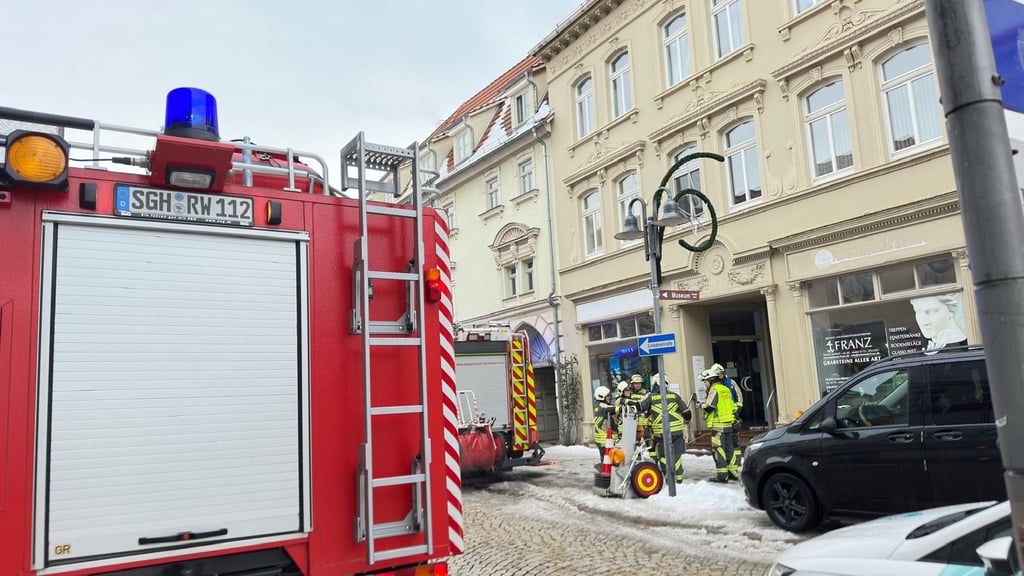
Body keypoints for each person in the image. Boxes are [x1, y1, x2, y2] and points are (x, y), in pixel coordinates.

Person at [644, 373, 691, 484]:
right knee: (677, 455)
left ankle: (669, 479)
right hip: (677, 432)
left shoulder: (651, 397)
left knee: (663, 456)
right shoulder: (675, 396)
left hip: (662, 433)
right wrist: (687, 421)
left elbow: (641, 408)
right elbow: (687, 413)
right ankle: (679, 479)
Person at [701, 368, 737, 483]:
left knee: (719, 449)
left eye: (705, 381)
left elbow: (710, 407)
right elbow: (733, 406)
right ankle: (733, 472)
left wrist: (701, 405)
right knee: (729, 448)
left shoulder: (714, 389)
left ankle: (722, 475)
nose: (705, 384)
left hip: (718, 425)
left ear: (711, 380)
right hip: (728, 423)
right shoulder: (725, 389)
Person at [711, 363, 744, 472]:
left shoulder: (730, 382)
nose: (719, 375)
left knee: (734, 439)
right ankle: (729, 463)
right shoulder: (714, 387)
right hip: (721, 419)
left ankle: (737, 461)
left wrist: (737, 409)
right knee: (726, 442)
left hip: (733, 415)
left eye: (720, 373)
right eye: (717, 374)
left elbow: (739, 395)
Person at [593, 385, 618, 466]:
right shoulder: (601, 406)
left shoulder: (598, 405)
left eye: (609, 395)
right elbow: (610, 409)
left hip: (605, 440)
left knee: (608, 461)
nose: (609, 397)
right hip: (604, 441)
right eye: (607, 396)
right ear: (601, 396)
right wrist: (621, 408)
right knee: (608, 462)